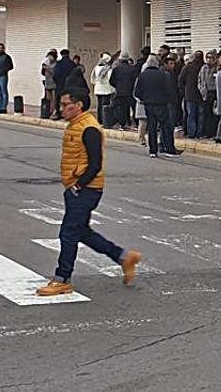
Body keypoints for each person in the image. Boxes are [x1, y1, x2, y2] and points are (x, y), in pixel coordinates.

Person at [34, 89, 143, 297]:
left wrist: (78, 186)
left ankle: (62, 278)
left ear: (79, 105)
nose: (62, 109)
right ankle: (123, 257)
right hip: (76, 188)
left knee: (68, 233)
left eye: (67, 105)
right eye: (62, 105)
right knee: (81, 231)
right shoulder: (76, 125)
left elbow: (95, 164)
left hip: (85, 190)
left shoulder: (89, 128)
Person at [134, 55, 180, 158]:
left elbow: (137, 92)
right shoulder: (163, 74)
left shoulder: (142, 75)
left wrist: (144, 99)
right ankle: (169, 149)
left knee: (152, 128)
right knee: (166, 126)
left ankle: (153, 151)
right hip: (162, 104)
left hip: (148, 105)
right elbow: (169, 90)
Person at [178, 51, 205, 139]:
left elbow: (181, 81)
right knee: (200, 115)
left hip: (189, 95)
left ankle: (191, 133)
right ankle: (199, 133)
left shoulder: (187, 67)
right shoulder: (203, 67)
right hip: (201, 95)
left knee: (191, 115)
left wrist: (184, 91)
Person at [108, 52, 138, 130]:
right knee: (133, 107)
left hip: (120, 92)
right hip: (131, 92)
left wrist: (117, 86)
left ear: (120, 59)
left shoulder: (116, 69)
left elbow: (111, 81)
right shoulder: (133, 69)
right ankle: (135, 123)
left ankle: (123, 123)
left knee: (122, 109)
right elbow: (136, 80)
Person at [198, 50, 219, 140]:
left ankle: (213, 132)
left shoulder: (217, 68)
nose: (209, 60)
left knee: (214, 114)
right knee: (206, 114)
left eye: (211, 58)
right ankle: (206, 132)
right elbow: (200, 80)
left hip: (214, 93)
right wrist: (202, 90)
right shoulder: (204, 68)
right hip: (206, 93)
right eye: (208, 58)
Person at [91, 54, 115, 125]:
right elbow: (110, 79)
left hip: (97, 89)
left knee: (99, 105)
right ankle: (105, 120)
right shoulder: (108, 69)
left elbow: (92, 79)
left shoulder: (96, 68)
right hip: (106, 89)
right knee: (105, 105)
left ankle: (99, 120)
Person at [0, 42, 13, 113]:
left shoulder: (7, 57)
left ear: (4, 49)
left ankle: (3, 107)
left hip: (3, 76)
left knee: (4, 92)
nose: (0, 49)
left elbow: (11, 66)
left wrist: (3, 71)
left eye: (1, 48)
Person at [42, 50, 59, 118]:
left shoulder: (56, 64)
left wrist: (49, 69)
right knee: (48, 99)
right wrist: (43, 69)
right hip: (47, 83)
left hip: (54, 84)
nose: (49, 58)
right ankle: (48, 111)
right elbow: (43, 73)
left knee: (54, 99)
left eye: (51, 57)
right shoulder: (46, 63)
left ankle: (54, 111)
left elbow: (55, 74)